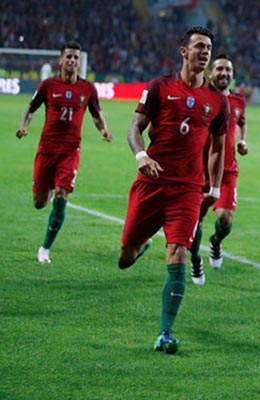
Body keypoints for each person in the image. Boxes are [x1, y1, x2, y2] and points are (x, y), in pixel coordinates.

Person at [117, 26, 228, 354]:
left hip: (188, 190)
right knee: (125, 257)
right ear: (184, 52)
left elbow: (219, 148)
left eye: (209, 47)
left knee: (179, 250)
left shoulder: (217, 101)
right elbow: (134, 128)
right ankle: (142, 243)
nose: (205, 52)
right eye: (199, 47)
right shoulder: (159, 87)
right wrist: (142, 156)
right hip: (151, 183)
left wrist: (216, 187)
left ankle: (165, 332)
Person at [16, 41, 112, 264]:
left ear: (80, 62)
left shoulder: (87, 88)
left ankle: (45, 248)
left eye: (76, 58)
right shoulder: (48, 85)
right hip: (47, 149)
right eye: (68, 57)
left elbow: (96, 114)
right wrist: (24, 126)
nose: (72, 61)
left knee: (62, 194)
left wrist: (104, 130)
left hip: (70, 151)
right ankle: (47, 189)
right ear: (60, 61)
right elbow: (30, 109)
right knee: (39, 202)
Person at [189, 53, 249, 285]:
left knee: (225, 218)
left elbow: (242, 122)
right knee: (195, 222)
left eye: (228, 70)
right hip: (198, 171)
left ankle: (215, 242)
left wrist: (243, 141)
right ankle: (195, 260)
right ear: (210, 73)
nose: (224, 73)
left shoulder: (238, 102)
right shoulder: (201, 98)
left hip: (227, 171)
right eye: (220, 69)